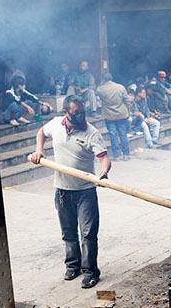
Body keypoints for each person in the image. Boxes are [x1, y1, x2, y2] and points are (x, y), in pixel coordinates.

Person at [29, 95, 110, 289]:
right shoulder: (56, 124)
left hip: (85, 191)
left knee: (88, 234)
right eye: (76, 112)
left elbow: (104, 157)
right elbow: (41, 131)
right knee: (68, 233)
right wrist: (39, 150)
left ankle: (91, 271)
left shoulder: (92, 132)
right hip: (62, 191)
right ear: (66, 113)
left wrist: (104, 172)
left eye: (83, 111)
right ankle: (73, 266)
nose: (81, 115)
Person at [96, 72, 131, 161]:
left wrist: (101, 84)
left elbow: (97, 94)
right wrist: (128, 112)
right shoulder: (120, 87)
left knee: (113, 135)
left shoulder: (100, 90)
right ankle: (126, 154)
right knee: (123, 134)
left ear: (103, 79)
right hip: (122, 114)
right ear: (111, 78)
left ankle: (117, 155)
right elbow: (127, 101)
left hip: (109, 115)